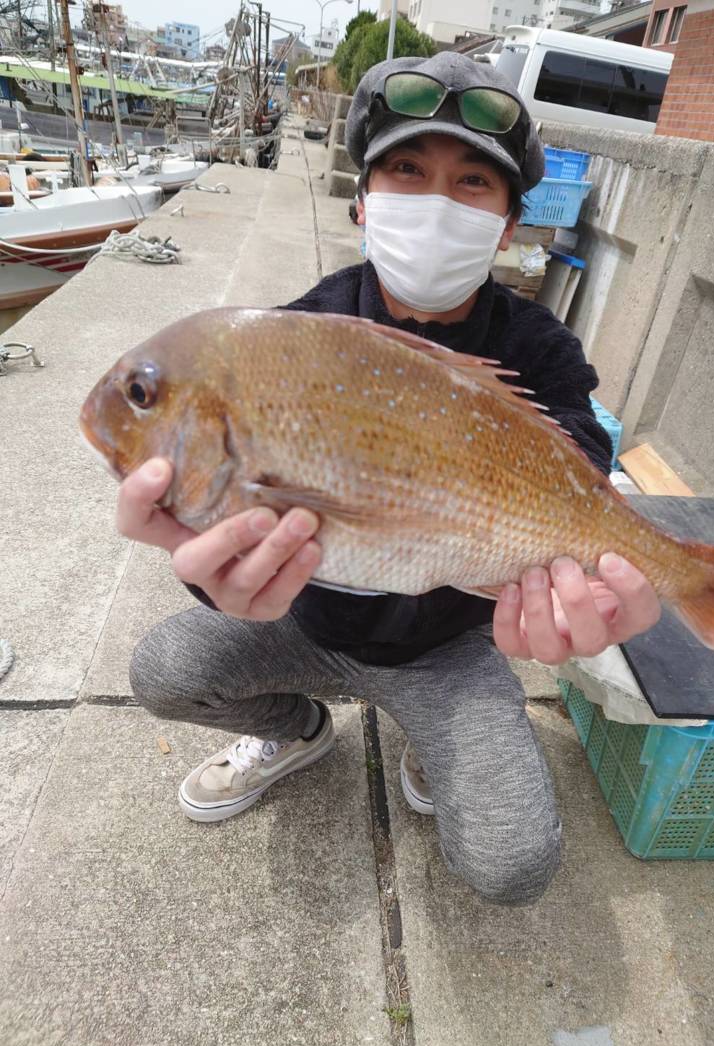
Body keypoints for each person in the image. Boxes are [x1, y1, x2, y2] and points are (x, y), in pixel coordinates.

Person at [123, 53, 661, 905]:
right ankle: (297, 730)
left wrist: (610, 563)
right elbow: (240, 523)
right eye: (407, 171)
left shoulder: (541, 350)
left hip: (447, 647)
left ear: (509, 226)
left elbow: (582, 468)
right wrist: (218, 579)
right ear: (365, 202)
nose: (437, 201)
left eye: (472, 182)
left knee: (512, 865)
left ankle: (426, 735)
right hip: (307, 622)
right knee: (162, 669)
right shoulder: (292, 337)